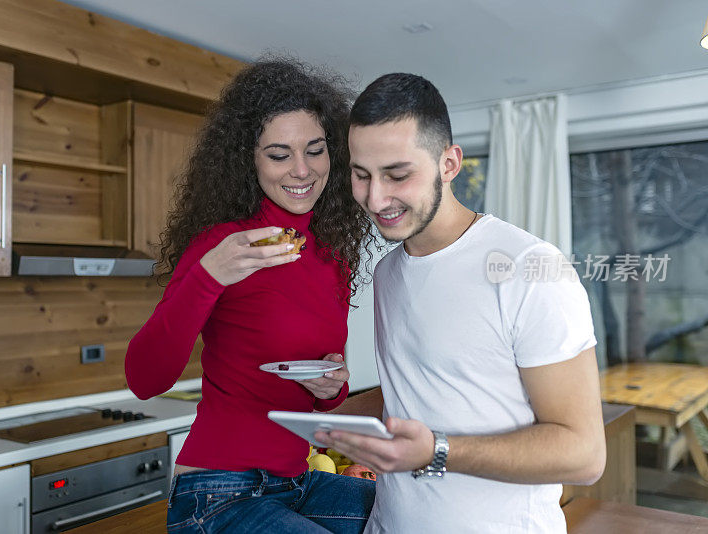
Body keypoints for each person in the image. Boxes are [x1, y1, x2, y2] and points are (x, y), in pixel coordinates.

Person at [316, 73, 606, 533]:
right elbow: (421, 394)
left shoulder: (530, 268)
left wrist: (437, 451)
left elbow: (583, 454)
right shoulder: (388, 273)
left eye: (397, 174)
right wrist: (320, 412)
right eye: (361, 174)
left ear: (449, 163)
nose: (375, 198)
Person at [124, 59, 377, 534]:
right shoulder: (223, 246)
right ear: (250, 159)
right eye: (279, 154)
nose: (302, 171)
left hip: (298, 481)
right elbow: (144, 379)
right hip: (217, 492)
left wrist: (333, 387)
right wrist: (209, 275)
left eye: (315, 150)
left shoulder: (331, 251)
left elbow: (321, 385)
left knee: (418, 511)